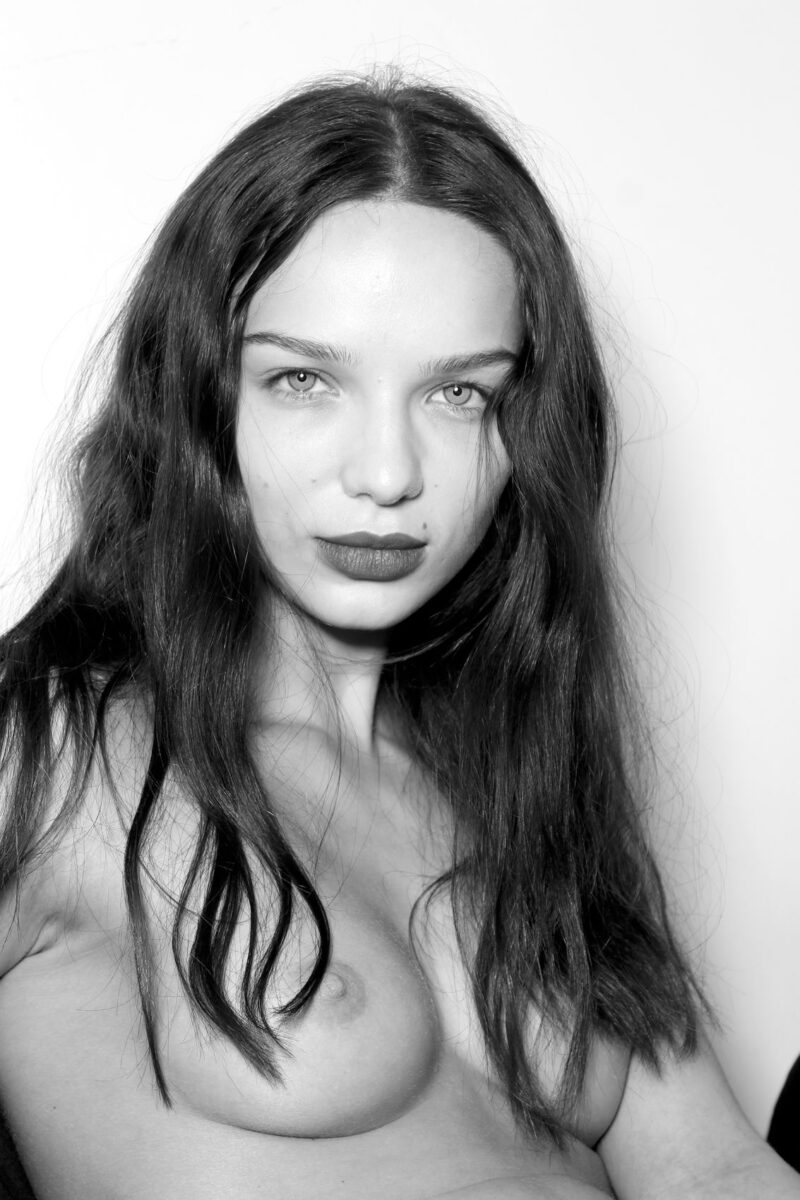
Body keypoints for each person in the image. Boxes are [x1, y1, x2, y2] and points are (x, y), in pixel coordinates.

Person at [0, 71, 796, 1200]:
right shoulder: (55, 759)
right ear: (199, 398)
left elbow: (712, 1169)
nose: (386, 473)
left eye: (459, 395)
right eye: (303, 379)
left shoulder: (525, 786)